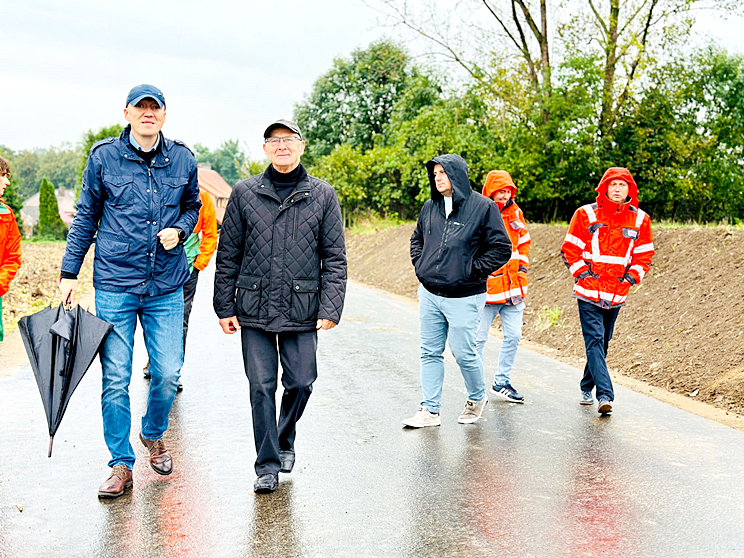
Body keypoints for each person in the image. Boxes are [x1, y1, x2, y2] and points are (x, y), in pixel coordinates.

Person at [59, 84, 201, 498]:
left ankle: (153, 434)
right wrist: (70, 272)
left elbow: (193, 205)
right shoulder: (104, 157)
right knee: (115, 377)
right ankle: (120, 464)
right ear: (126, 113)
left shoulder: (183, 159)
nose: (147, 114)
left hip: (165, 284)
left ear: (163, 115)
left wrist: (181, 228)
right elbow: (87, 215)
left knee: (168, 371)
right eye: (140, 108)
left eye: (154, 108)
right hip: (115, 283)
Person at [213, 119, 347, 494]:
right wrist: (224, 306)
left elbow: (335, 257)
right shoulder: (244, 192)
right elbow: (229, 255)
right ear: (265, 149)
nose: (282, 146)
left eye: (289, 139)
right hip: (253, 307)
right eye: (274, 140)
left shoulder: (322, 195)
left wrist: (330, 306)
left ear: (301, 146)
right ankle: (267, 465)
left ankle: (284, 438)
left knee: (302, 382)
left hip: (302, 306)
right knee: (261, 387)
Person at [403, 154, 512, 428]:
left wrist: (470, 271)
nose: (437, 177)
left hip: (465, 296)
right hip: (429, 294)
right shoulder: (430, 206)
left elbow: (501, 248)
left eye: (443, 172)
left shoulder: (484, 208)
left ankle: (476, 398)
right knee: (429, 352)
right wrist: (421, 264)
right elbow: (417, 238)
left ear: (458, 175)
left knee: (463, 352)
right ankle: (430, 410)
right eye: (435, 173)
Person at [561, 167, 654, 415]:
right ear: (604, 188)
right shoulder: (585, 214)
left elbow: (644, 255)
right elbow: (570, 250)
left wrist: (630, 279)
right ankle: (605, 394)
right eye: (612, 185)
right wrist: (584, 276)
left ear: (629, 191)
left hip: (616, 293)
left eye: (622, 185)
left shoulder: (640, 219)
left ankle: (585, 386)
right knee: (594, 340)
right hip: (588, 291)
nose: (616, 189)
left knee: (603, 343)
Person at [143, 188, 218, 391]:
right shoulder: (160, 190)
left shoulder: (203, 198)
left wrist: (199, 264)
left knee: (180, 319)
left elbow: (211, 233)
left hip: (188, 268)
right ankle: (154, 361)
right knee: (154, 315)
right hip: (159, 267)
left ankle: (173, 371)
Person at [475, 170, 530, 403]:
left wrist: (522, 271)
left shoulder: (516, 212)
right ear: (490, 191)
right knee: (477, 340)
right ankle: (476, 388)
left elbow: (524, 243)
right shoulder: (479, 212)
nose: (505, 195)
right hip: (488, 289)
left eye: (508, 191)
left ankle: (501, 382)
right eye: (501, 191)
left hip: (514, 288)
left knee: (514, 335)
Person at [0, 156, 22, 343]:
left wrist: (0, 282)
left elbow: (12, 257)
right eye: (3, 175)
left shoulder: (6, 215)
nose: (7, 182)